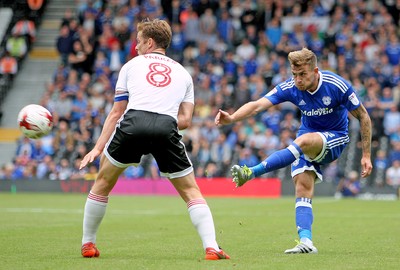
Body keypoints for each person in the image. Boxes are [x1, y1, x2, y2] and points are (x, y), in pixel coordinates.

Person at [79, 18, 230, 260]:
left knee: (102, 183)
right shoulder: (183, 73)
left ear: (149, 42)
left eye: (138, 42)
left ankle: (88, 244)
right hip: (166, 126)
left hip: (133, 123)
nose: (136, 46)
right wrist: (163, 120)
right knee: (192, 191)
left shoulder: (130, 66)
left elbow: (117, 112)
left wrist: (97, 148)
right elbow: (186, 120)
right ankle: (211, 247)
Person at [215, 48, 373, 254]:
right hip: (306, 136)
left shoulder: (336, 85)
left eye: (303, 74)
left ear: (315, 71)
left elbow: (363, 116)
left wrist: (367, 155)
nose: (298, 80)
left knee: (303, 140)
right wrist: (233, 118)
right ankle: (306, 241)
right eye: (294, 75)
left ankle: (251, 172)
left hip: (335, 137)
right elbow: (257, 105)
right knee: (303, 186)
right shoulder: (291, 87)